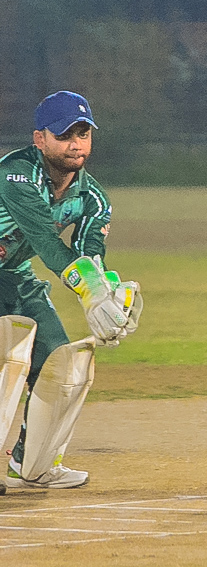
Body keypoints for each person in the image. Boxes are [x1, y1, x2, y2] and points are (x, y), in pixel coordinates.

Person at [0, 91, 142, 493]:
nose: (75, 144)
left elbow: (89, 256)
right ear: (39, 139)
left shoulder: (93, 199)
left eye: (83, 134)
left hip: (14, 275)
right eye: (63, 135)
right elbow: (47, 243)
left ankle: (32, 465)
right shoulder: (16, 173)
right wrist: (88, 290)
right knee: (6, 361)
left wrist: (107, 294)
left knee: (63, 368)